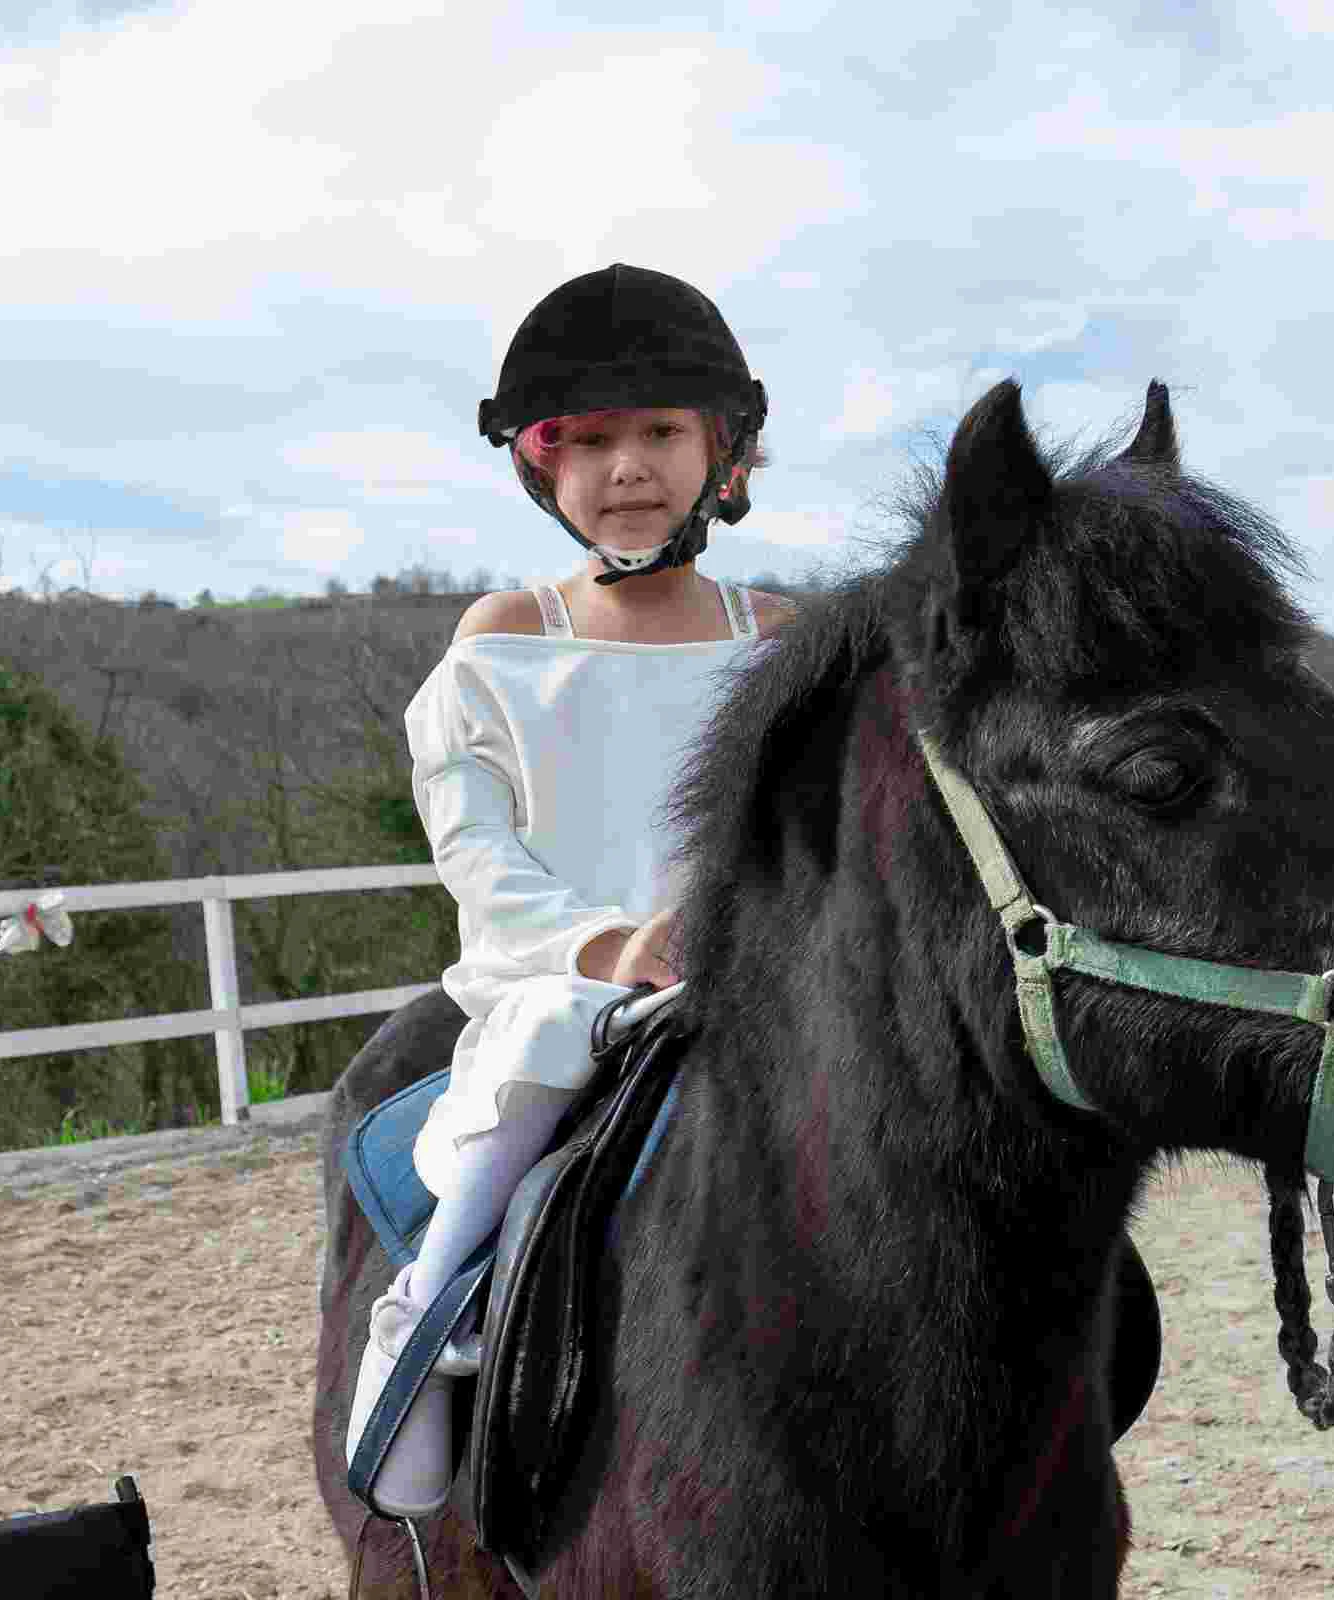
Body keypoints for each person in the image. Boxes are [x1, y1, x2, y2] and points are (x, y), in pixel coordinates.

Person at [345, 264, 794, 1519]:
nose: (628, 466)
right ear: (544, 468)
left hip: (759, 970)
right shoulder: (501, 638)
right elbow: (477, 854)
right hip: (568, 977)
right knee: (547, 1032)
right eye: (589, 440)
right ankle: (433, 1305)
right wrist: (607, 944)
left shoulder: (781, 640)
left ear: (723, 450)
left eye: (659, 431)